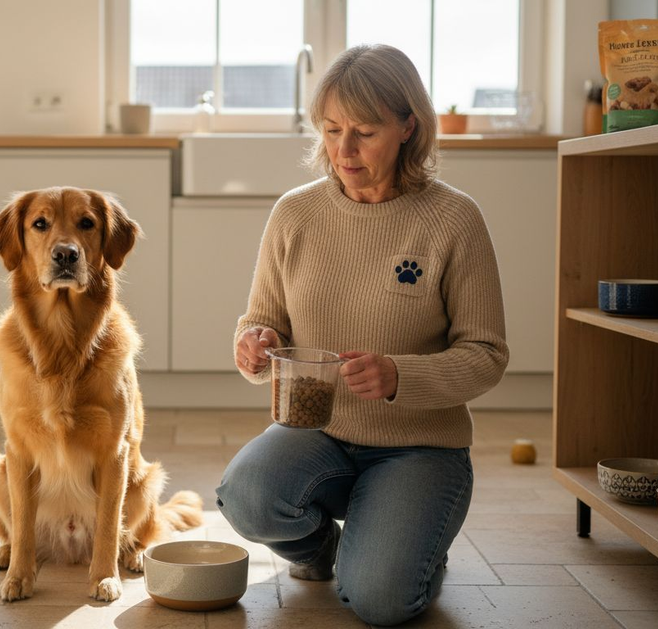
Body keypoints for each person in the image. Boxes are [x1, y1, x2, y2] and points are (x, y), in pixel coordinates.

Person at [216, 44, 509, 626]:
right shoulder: (295, 214)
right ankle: (323, 550)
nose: (343, 151)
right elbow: (260, 322)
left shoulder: (454, 219)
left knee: (379, 601)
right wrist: (253, 346)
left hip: (420, 446)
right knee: (246, 494)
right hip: (317, 433)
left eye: (364, 132)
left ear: (408, 126)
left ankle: (410, 546)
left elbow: (487, 355)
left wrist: (401, 374)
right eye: (331, 130)